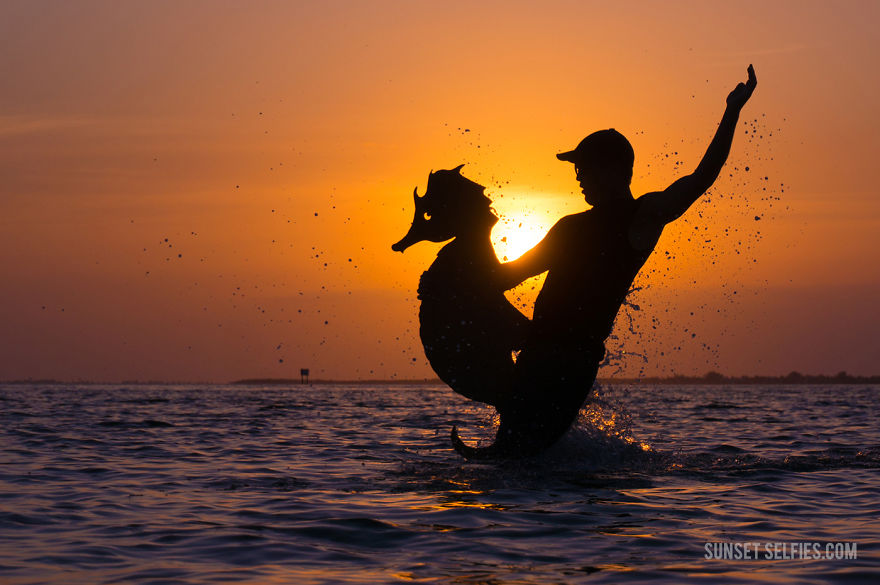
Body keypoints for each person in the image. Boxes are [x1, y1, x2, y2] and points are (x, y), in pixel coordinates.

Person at [452, 65, 758, 458]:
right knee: (510, 460)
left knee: (516, 459)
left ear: (615, 171)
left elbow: (702, 177)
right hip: (532, 355)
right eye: (577, 168)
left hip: (572, 364)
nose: (578, 177)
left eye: (584, 167)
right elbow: (509, 276)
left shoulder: (642, 218)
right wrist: (463, 261)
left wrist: (732, 111)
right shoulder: (567, 227)